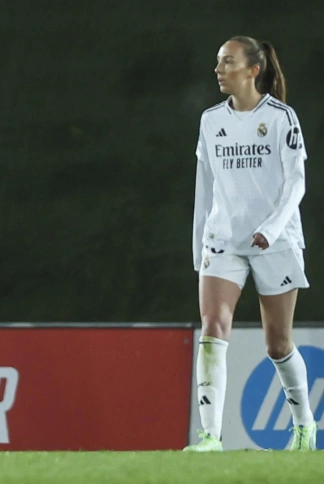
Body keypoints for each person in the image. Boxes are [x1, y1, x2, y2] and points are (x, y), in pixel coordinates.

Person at [187, 36, 315, 451]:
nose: (219, 69)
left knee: (277, 343)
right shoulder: (211, 120)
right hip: (224, 240)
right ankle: (209, 437)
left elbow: (296, 183)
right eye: (218, 62)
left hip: (274, 241)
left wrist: (273, 228)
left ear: (253, 70)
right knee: (213, 327)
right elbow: (204, 186)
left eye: (228, 62)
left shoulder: (281, 117)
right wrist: (198, 246)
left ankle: (304, 427)